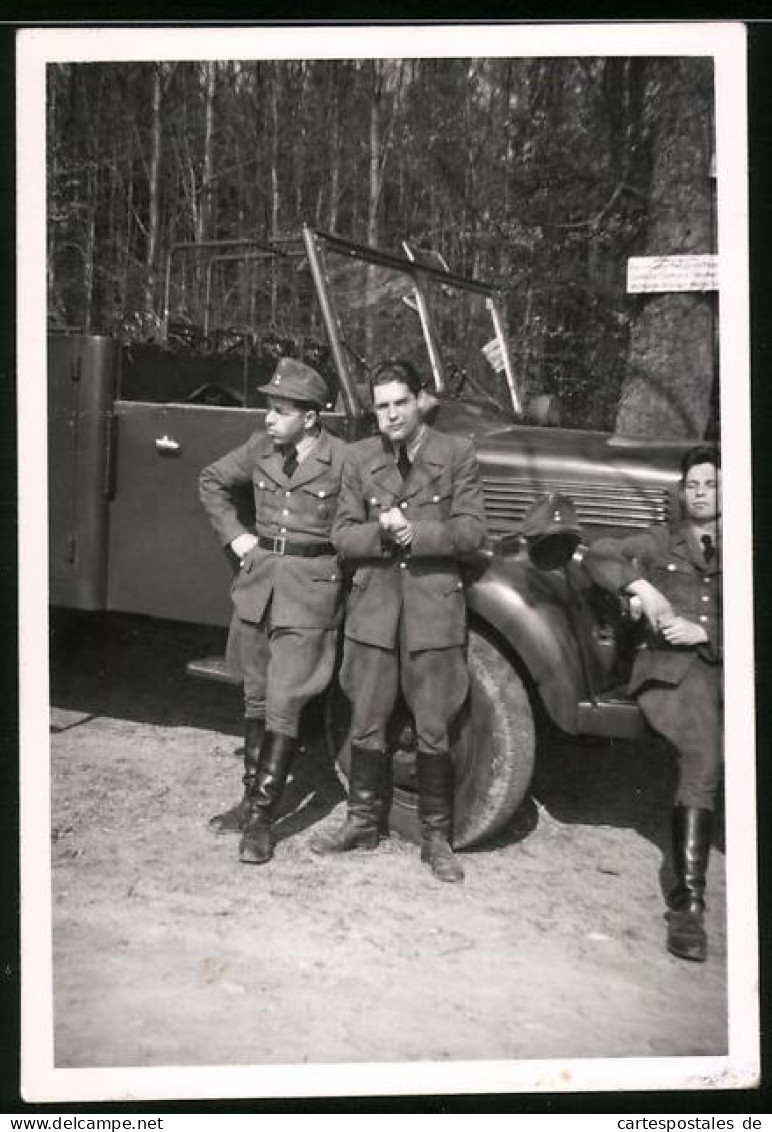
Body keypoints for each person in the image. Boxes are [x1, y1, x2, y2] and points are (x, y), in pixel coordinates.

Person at [311, 357, 487, 883]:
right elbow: (341, 535)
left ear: (420, 401)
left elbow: (473, 530)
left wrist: (419, 535)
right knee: (365, 716)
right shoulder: (360, 458)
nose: (390, 415)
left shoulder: (456, 453)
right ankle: (362, 821)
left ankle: (437, 838)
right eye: (381, 406)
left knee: (434, 725)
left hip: (433, 606)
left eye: (399, 403)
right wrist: (382, 536)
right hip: (374, 609)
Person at [199, 357, 347, 865]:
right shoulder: (261, 449)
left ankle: (263, 819)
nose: (268, 418)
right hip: (261, 588)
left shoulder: (343, 460)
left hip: (309, 594)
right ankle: (247, 802)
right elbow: (212, 480)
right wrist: (238, 537)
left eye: (279, 410)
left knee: (285, 701)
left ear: (309, 417)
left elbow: (364, 522)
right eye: (269, 406)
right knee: (257, 696)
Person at [584, 445, 722, 961]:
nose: (703, 492)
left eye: (712, 484)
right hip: (674, 672)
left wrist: (706, 630)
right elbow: (599, 553)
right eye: (695, 485)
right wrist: (642, 583)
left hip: (722, 661)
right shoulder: (665, 539)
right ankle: (688, 905)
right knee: (702, 752)